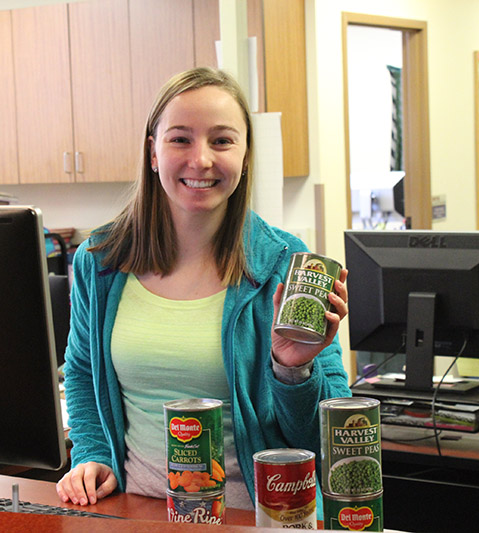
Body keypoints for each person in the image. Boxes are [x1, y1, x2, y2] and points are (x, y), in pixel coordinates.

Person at [56, 67, 350, 513]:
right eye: (180, 139)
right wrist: (92, 454)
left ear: (246, 155)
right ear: (152, 152)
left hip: (253, 517)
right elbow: (80, 371)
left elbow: (323, 439)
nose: (202, 159)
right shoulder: (99, 260)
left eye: (222, 140)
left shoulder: (286, 264)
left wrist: (293, 372)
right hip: (138, 513)